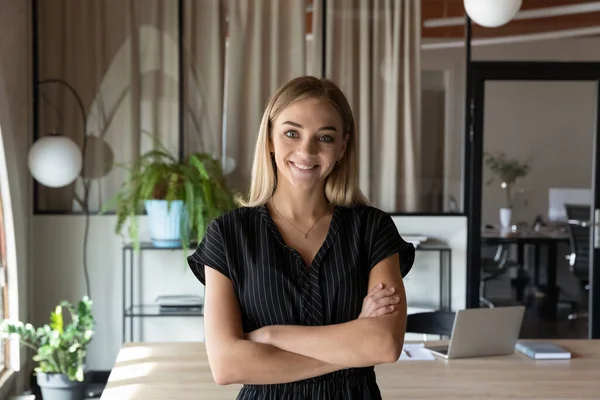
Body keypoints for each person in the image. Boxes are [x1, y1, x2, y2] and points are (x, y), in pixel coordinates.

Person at [188, 76, 415, 399]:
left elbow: (384, 344)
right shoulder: (228, 235)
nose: (306, 150)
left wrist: (270, 336)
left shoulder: (372, 229)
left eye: (324, 137)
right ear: (269, 139)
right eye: (291, 133)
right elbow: (227, 365)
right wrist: (351, 349)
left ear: (342, 147)